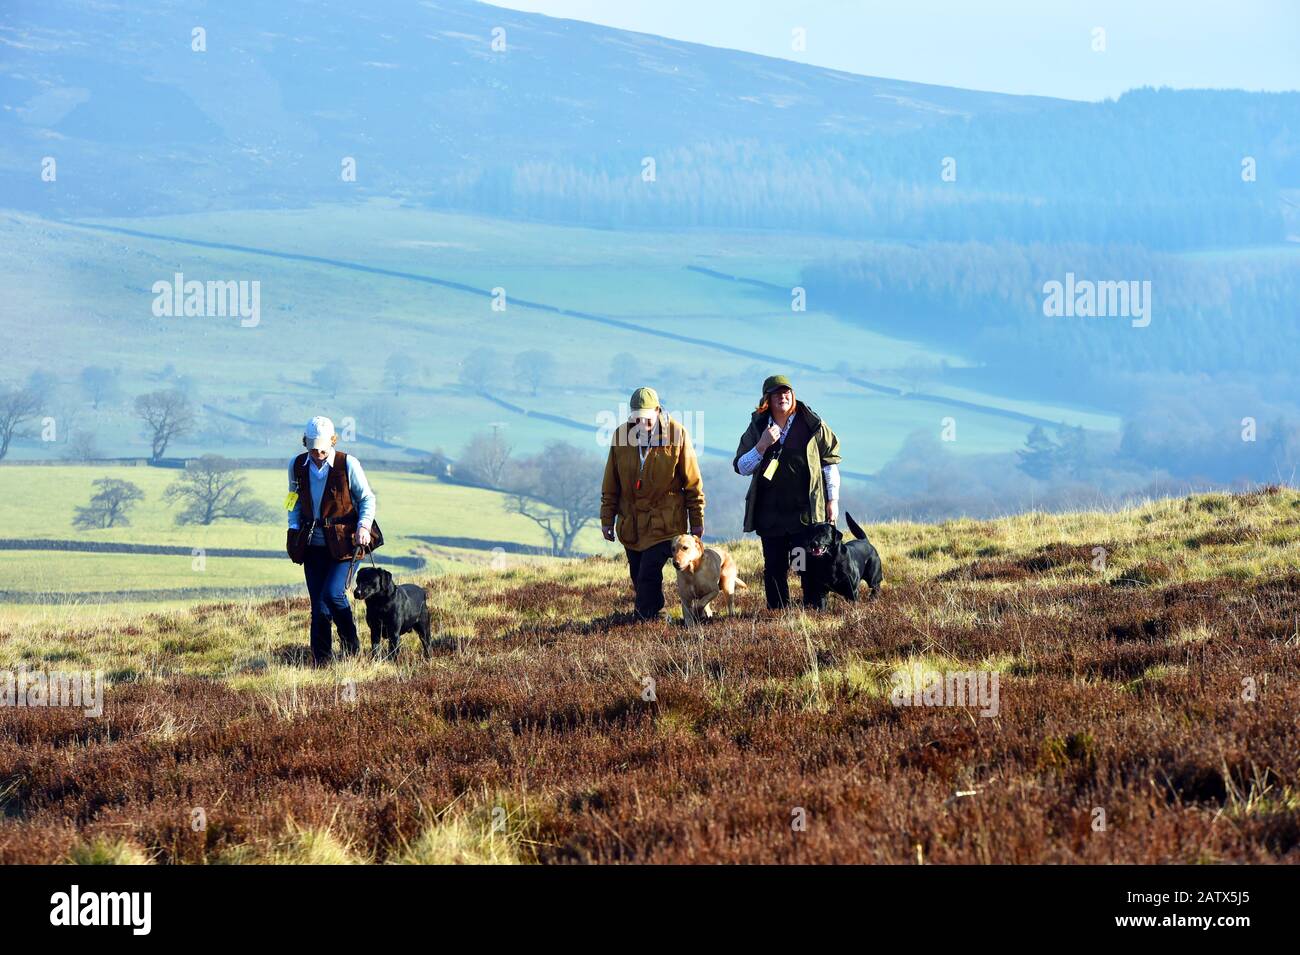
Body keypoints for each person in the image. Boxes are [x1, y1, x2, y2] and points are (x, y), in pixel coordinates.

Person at [732, 375, 842, 610]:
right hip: (769, 516)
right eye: (776, 393)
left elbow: (829, 463)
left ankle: (814, 612)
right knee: (774, 567)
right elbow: (741, 467)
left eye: (787, 392)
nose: (783, 396)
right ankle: (778, 615)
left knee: (805, 564)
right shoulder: (758, 426)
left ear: (793, 395)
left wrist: (833, 500)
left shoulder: (810, 424)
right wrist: (761, 445)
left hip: (804, 516)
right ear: (767, 400)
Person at [601, 387, 705, 621]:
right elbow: (611, 482)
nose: (641, 424)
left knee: (649, 572)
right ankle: (655, 617)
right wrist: (607, 519)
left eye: (646, 419)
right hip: (632, 523)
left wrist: (697, 520)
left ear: (657, 411)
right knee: (637, 573)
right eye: (636, 419)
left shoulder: (677, 434)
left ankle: (645, 619)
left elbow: (693, 482)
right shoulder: (620, 436)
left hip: (665, 523)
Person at [285, 416, 377, 665]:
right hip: (312, 545)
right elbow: (292, 499)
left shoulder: (348, 464)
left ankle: (352, 647)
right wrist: (293, 528)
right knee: (318, 605)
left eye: (323, 449)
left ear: (332, 442)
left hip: (345, 544)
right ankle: (322, 661)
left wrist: (364, 526)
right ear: (305, 444)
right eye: (313, 449)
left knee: (333, 594)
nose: (318, 454)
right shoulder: (296, 466)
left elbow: (367, 498)